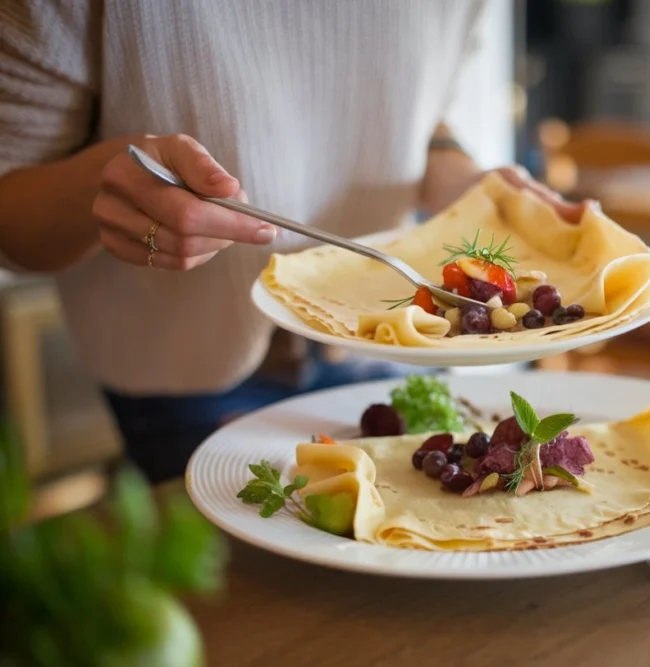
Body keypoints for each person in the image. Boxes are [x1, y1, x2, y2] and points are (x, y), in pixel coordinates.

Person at [0, 1, 585, 483]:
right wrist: (104, 185)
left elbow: (412, 118)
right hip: (190, 374)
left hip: (395, 348)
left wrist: (471, 187)